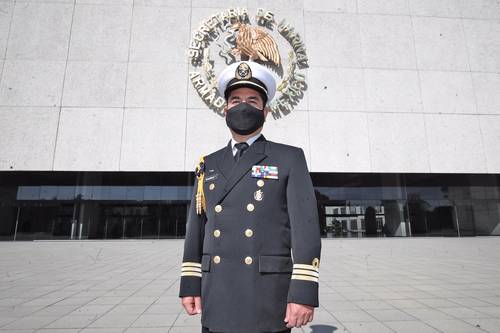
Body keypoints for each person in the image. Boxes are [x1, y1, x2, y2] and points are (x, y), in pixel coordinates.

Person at [179, 61, 322, 333]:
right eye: (235, 100)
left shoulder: (288, 158)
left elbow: (306, 229)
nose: (243, 106)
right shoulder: (207, 163)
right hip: (216, 293)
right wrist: (190, 284)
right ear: (225, 110)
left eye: (252, 100)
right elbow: (195, 231)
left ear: (265, 111)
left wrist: (302, 292)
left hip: (266, 295)